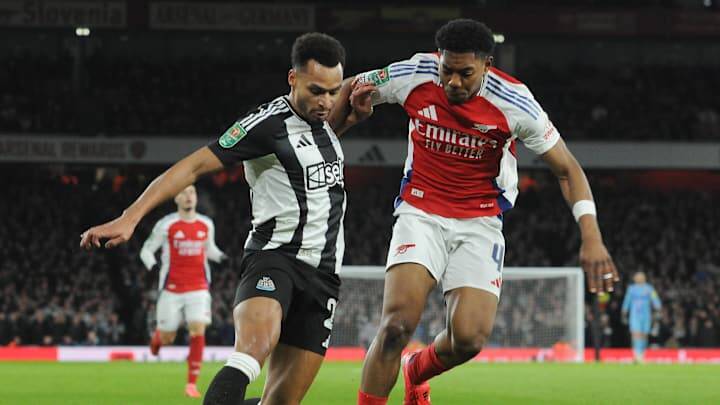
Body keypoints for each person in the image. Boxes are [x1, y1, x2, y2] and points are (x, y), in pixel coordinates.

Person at [331, 19, 619, 405]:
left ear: (486, 65)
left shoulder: (516, 103)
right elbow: (352, 85)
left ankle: (416, 369)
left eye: (465, 73)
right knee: (396, 325)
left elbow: (568, 169)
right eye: (446, 70)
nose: (452, 82)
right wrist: (327, 136)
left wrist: (592, 237)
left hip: (480, 221)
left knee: (468, 339)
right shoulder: (416, 72)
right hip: (421, 211)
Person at [80, 32, 370, 405]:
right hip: (276, 258)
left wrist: (352, 115)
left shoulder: (326, 123)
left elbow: (310, 148)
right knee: (252, 352)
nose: (326, 101)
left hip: (324, 275)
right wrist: (129, 217)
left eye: (333, 92)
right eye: (316, 91)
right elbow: (193, 166)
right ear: (292, 78)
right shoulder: (265, 125)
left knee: (281, 402)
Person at [139, 184, 226, 398]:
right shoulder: (166, 224)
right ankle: (158, 338)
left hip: (199, 287)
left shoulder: (206, 224)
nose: (189, 196)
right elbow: (146, 250)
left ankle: (191, 384)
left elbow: (210, 249)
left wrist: (223, 258)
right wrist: (153, 266)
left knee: (198, 328)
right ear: (175, 198)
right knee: (168, 337)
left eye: (192, 192)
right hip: (172, 289)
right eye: (184, 193)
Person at [622, 272, 661, 363]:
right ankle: (636, 354)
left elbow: (655, 298)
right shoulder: (631, 289)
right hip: (635, 315)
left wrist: (658, 307)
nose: (639, 279)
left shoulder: (649, 288)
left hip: (646, 315)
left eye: (641, 277)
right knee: (636, 334)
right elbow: (627, 300)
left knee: (644, 334)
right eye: (637, 277)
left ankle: (642, 354)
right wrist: (624, 311)